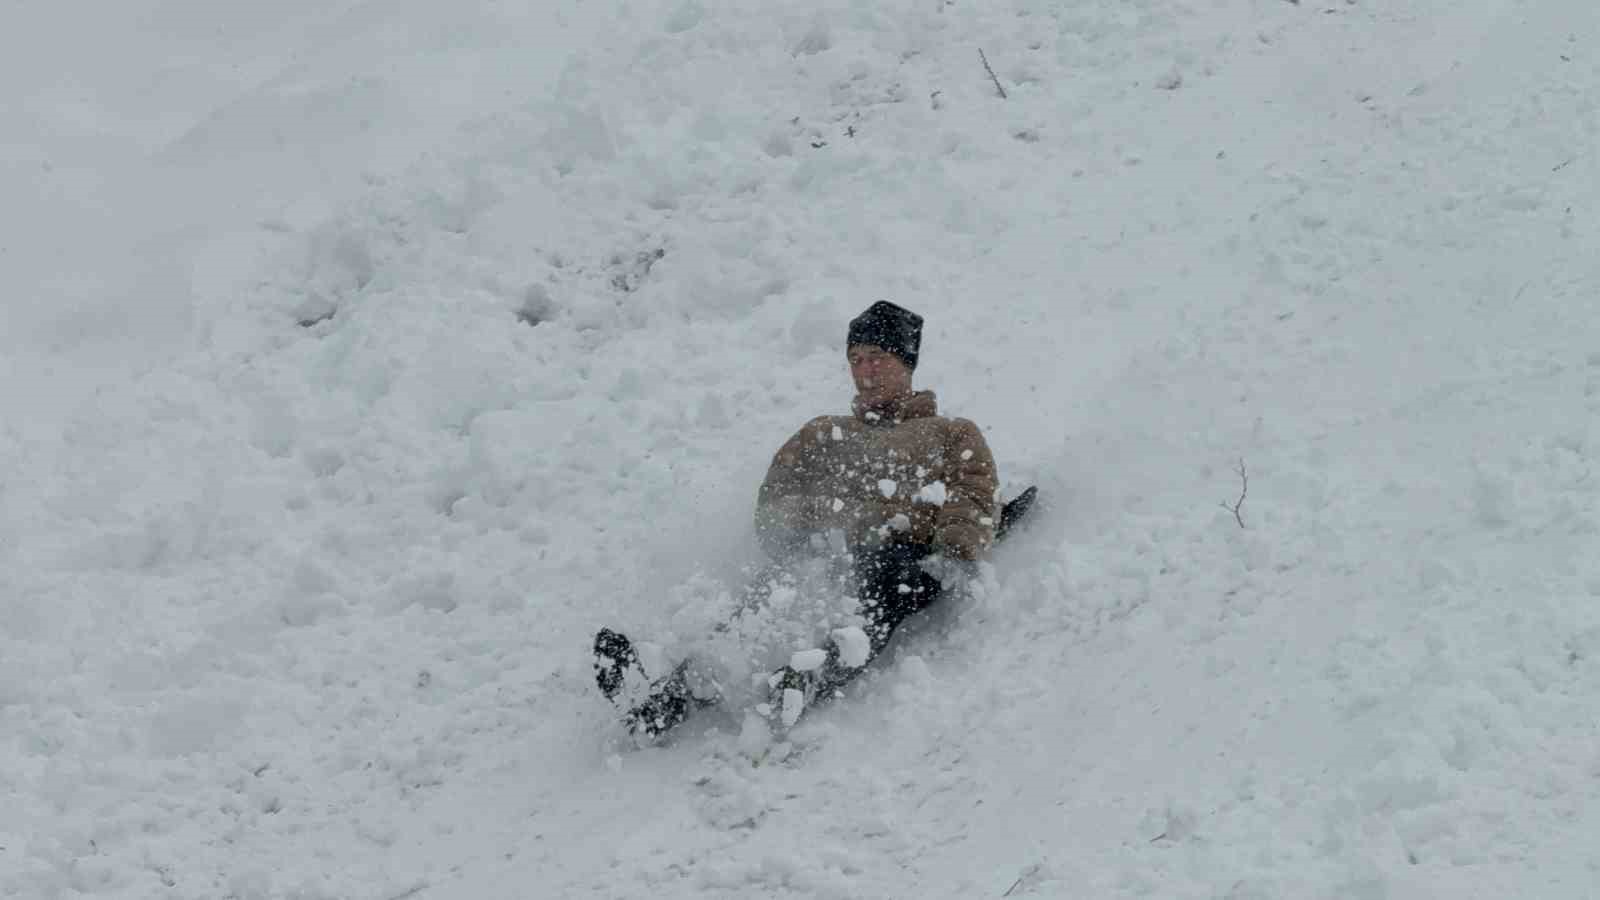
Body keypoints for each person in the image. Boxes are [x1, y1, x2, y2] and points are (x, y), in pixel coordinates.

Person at [595, 301, 1002, 735]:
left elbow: (974, 495)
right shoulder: (823, 432)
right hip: (823, 548)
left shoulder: (951, 433)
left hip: (902, 556)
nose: (864, 370)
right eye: (855, 360)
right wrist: (808, 527)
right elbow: (776, 495)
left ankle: (807, 677)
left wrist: (952, 554)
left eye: (876, 358)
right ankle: (669, 695)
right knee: (766, 596)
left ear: (905, 361)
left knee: (880, 585)